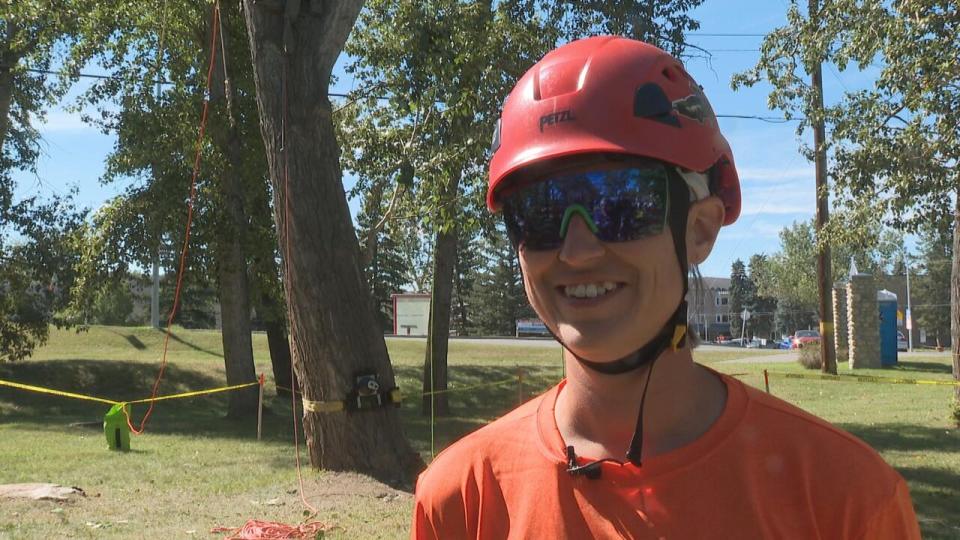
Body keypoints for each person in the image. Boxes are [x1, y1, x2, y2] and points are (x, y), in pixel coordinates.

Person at [410, 36, 920, 539]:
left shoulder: (846, 502)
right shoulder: (460, 502)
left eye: (623, 202)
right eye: (540, 212)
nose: (577, 250)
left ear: (699, 229)